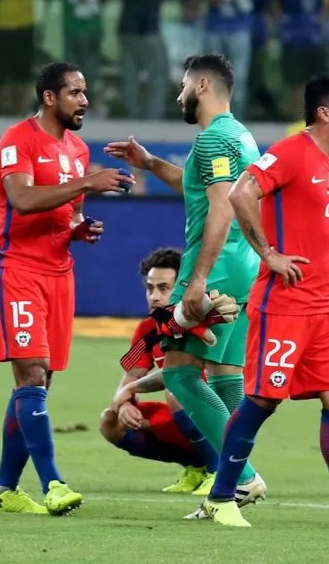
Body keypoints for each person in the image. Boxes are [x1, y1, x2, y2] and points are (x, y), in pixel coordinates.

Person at [197, 72, 329, 530]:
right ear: (324, 112)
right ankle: (220, 496)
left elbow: (320, 228)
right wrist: (268, 254)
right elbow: (240, 193)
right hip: (285, 304)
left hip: (328, 306)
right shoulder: (291, 152)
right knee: (263, 400)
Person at [105, 53, 267, 511]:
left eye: (181, 86)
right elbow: (202, 188)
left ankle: (242, 476)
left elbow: (221, 206)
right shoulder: (240, 136)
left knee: (179, 371)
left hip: (215, 269)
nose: (178, 94)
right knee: (224, 375)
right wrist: (151, 163)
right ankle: (231, 484)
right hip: (243, 266)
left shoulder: (214, 138)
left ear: (200, 85)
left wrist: (196, 281)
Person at [0, 62, 134, 516]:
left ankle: (4, 490)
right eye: (75, 92)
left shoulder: (76, 147)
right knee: (31, 374)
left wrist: (77, 229)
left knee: (41, 380)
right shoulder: (18, 140)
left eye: (85, 92)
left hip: (58, 273)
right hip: (17, 269)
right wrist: (88, 181)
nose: (84, 100)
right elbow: (23, 200)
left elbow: (63, 213)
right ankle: (53, 483)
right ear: (50, 98)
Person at [101, 247, 220, 495]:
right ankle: (196, 466)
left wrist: (130, 392)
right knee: (110, 422)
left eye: (163, 288)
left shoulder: (206, 322)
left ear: (184, 288)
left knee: (178, 389)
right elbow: (131, 376)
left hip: (222, 414)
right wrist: (124, 404)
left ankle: (219, 472)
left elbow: (187, 376)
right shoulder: (148, 328)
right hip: (187, 414)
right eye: (150, 288)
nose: (154, 296)